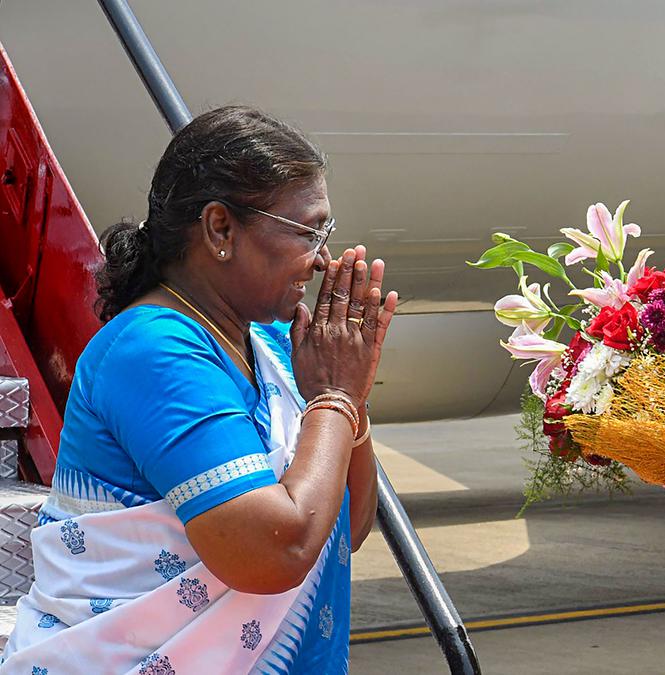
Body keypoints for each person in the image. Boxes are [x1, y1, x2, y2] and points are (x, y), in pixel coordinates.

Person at [0, 106, 399, 673]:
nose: (323, 259)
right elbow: (274, 551)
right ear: (220, 228)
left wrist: (346, 399)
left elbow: (346, 526)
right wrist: (333, 398)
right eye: (307, 231)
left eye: (325, 232)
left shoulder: (272, 344)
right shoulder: (152, 350)